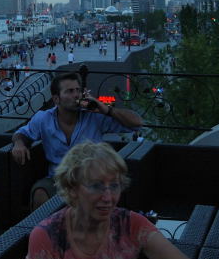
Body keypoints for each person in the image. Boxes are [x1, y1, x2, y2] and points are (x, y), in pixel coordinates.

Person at [23, 142, 211, 259]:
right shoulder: (48, 236)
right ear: (72, 189)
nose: (108, 197)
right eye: (96, 186)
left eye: (114, 186)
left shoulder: (131, 225)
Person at [12, 72, 142, 210]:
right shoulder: (43, 118)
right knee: (40, 194)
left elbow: (136, 123)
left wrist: (107, 110)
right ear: (56, 99)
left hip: (91, 179)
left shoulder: (94, 116)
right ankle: (47, 225)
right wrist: (19, 144)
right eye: (70, 91)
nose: (76, 95)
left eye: (78, 90)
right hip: (58, 179)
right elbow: (22, 133)